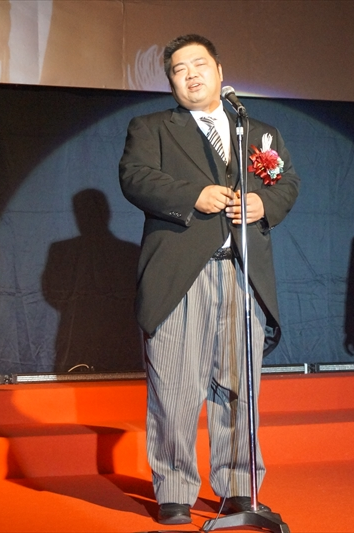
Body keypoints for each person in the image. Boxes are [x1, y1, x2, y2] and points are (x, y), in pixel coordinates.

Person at [119, 34, 299, 525]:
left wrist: (264, 203)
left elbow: (287, 183)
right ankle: (175, 490)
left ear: (220, 71)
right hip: (183, 274)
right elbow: (135, 177)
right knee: (175, 387)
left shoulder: (256, 131)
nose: (191, 74)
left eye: (199, 64)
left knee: (239, 388)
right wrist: (192, 195)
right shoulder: (152, 128)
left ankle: (240, 487)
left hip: (243, 273)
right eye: (179, 69)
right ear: (171, 82)